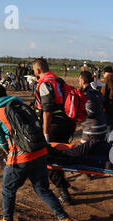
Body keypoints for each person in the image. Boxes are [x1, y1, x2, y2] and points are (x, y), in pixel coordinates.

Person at [0, 83, 74, 221]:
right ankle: (64, 219)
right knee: (42, 189)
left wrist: (7, 150)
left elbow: (0, 140)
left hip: (20, 158)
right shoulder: (19, 104)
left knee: (8, 189)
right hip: (39, 152)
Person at [33, 58, 75, 204]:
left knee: (49, 159)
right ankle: (63, 188)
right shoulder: (59, 80)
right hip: (66, 123)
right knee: (57, 156)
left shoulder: (45, 84)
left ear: (38, 71)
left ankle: (63, 192)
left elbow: (47, 111)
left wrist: (45, 134)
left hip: (53, 125)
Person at [79, 71, 108, 144]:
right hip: (103, 128)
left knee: (82, 151)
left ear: (83, 81)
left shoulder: (85, 94)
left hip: (91, 130)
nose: (79, 82)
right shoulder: (98, 93)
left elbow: (90, 112)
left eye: (79, 80)